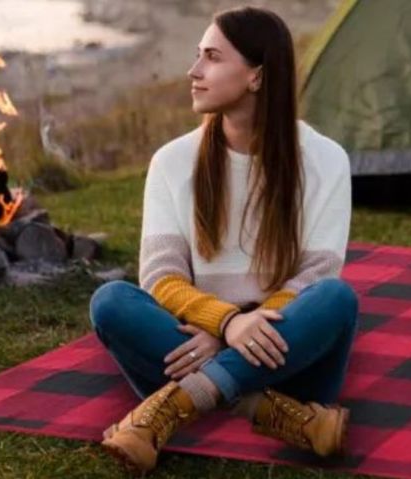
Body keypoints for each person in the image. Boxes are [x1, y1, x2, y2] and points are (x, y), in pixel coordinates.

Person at [88, 5, 358, 473]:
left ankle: (174, 406)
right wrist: (228, 324)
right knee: (110, 301)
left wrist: (235, 333)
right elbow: (162, 278)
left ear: (255, 76)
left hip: (288, 353)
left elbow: (315, 276)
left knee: (335, 298)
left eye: (211, 57)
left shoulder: (325, 160)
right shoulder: (172, 162)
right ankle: (267, 410)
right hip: (207, 336)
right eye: (197, 55)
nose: (194, 71)